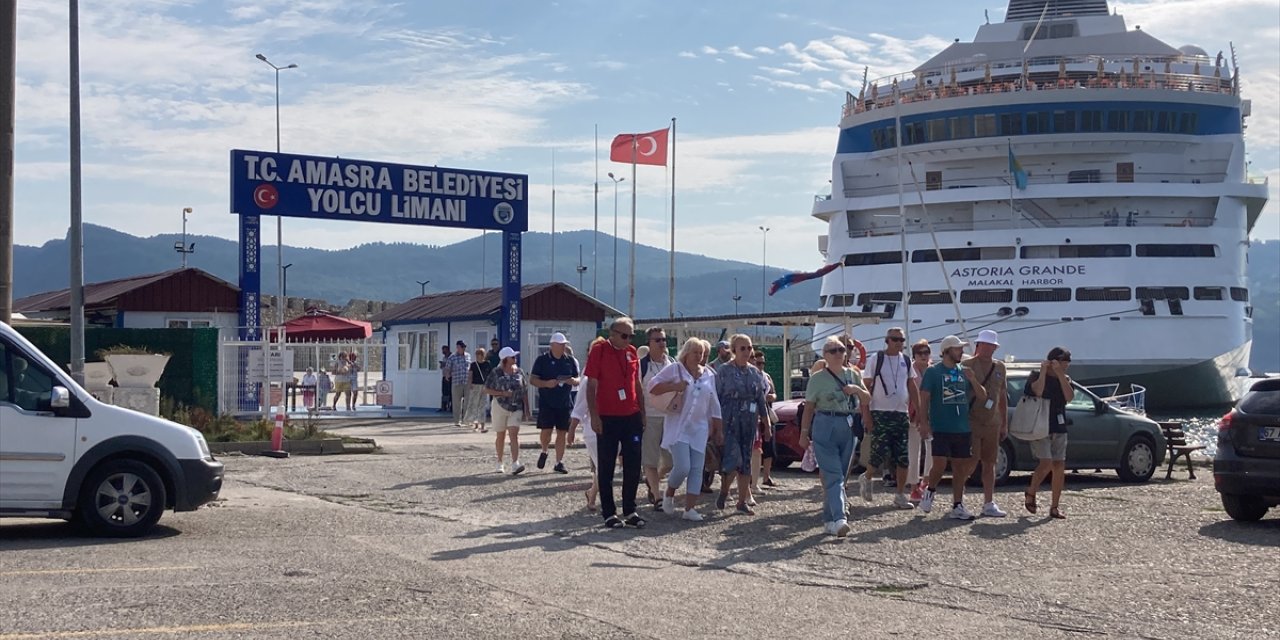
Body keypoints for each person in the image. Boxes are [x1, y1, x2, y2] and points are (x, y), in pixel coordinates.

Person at [798, 336, 871, 536]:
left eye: (841, 349)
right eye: (833, 350)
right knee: (834, 475)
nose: (839, 353)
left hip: (847, 425)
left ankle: (829, 519)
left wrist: (855, 389)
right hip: (825, 423)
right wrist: (804, 433)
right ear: (825, 355)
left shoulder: (853, 375)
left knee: (841, 475)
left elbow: (866, 398)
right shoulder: (817, 378)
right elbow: (809, 408)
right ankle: (840, 517)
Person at [647, 337, 722, 521]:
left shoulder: (708, 375)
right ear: (686, 353)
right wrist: (675, 386)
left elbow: (714, 403)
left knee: (697, 468)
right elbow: (652, 387)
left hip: (699, 428)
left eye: (702, 353)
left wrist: (718, 428)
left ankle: (690, 509)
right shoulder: (675, 369)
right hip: (678, 427)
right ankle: (669, 493)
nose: (699, 356)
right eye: (695, 352)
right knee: (683, 467)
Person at [585, 317, 648, 529]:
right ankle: (609, 513)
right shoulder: (600, 350)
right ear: (612, 334)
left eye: (631, 335)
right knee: (607, 465)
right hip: (608, 416)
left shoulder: (632, 353)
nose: (628, 339)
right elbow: (591, 385)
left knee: (633, 465)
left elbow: (637, 384)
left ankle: (630, 509)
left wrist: (643, 412)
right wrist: (594, 415)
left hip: (631, 416)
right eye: (624, 335)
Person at [918, 335, 988, 520]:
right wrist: (923, 422)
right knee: (939, 465)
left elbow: (982, 396)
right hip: (940, 426)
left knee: (960, 468)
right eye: (957, 349)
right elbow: (924, 398)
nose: (961, 351)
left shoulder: (964, 371)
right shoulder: (933, 372)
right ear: (947, 351)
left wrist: (973, 380)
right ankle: (929, 491)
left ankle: (958, 504)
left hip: (962, 428)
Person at [859, 328, 921, 510]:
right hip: (880, 412)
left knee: (903, 457)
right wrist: (867, 415)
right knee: (878, 453)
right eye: (895, 339)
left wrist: (920, 412)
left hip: (901, 414)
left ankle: (900, 494)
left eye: (901, 339)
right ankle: (867, 476)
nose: (899, 342)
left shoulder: (906, 361)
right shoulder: (876, 359)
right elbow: (866, 388)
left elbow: (912, 386)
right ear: (887, 340)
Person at [714, 334, 771, 516]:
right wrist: (716, 424)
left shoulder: (755, 373)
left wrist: (766, 423)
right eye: (742, 348)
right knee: (733, 459)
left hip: (749, 421)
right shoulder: (723, 371)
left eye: (749, 348)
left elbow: (761, 399)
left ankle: (741, 502)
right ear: (734, 350)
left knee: (746, 460)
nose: (747, 352)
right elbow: (715, 397)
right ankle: (724, 490)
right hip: (729, 419)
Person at [1024, 346, 1074, 520]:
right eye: (1062, 363)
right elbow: (1037, 391)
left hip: (1059, 425)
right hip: (1040, 425)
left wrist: (1061, 375)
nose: (1065, 366)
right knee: (1046, 463)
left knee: (1059, 466)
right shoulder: (1035, 376)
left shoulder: (1065, 378)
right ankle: (1031, 492)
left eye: (1066, 364)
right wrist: (1044, 371)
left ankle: (1054, 506)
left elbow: (1069, 397)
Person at [965, 330, 1010, 517]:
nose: (989, 348)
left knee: (990, 462)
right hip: (972, 420)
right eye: (986, 345)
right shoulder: (967, 365)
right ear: (978, 345)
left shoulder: (1000, 367)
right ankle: (959, 499)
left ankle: (989, 502)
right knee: (970, 461)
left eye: (992, 345)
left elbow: (1002, 398)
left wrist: (1004, 423)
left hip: (993, 421)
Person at [531, 332, 580, 474]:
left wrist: (573, 381)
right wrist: (546, 383)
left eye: (564, 344)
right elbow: (533, 380)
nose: (563, 347)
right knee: (546, 431)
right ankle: (544, 450)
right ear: (552, 345)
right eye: (560, 344)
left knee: (562, 432)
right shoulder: (542, 360)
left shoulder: (569, 360)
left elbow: (578, 378)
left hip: (564, 401)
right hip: (547, 401)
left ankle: (559, 462)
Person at [639, 327, 675, 508]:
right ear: (649, 343)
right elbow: (637, 391)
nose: (662, 343)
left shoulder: (672, 364)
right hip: (650, 417)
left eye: (663, 339)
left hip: (670, 418)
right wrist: (641, 415)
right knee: (650, 459)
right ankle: (657, 495)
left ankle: (653, 482)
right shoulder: (641, 365)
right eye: (657, 340)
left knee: (670, 462)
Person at [486, 346, 531, 475]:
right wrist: (502, 393)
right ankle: (500, 462)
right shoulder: (496, 372)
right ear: (505, 359)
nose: (515, 358)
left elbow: (524, 391)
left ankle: (515, 463)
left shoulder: (519, 372)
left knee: (514, 434)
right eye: (512, 356)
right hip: (499, 406)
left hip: (516, 407)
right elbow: (486, 389)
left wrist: (527, 409)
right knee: (501, 435)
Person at [908, 339, 935, 501]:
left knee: (932, 450)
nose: (924, 356)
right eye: (920, 353)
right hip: (913, 416)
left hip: (932, 416)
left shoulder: (933, 370)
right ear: (914, 355)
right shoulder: (910, 371)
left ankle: (926, 480)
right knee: (913, 452)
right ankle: (913, 486)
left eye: (926, 352)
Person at [751, 350, 780, 490]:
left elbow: (774, 393)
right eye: (758, 362)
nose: (761, 365)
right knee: (754, 449)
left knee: (768, 447)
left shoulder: (766, 377)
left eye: (763, 362)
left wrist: (771, 397)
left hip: (766, 413)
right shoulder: (749, 375)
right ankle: (750, 479)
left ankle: (766, 476)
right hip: (752, 415)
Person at [444, 341, 471, 425]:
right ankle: (457, 421)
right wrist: (447, 374)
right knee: (456, 402)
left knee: (467, 401)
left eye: (463, 347)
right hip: (456, 382)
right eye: (460, 347)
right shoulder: (452, 357)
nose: (462, 349)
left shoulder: (468, 356)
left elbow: (470, 368)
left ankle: (466, 420)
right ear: (457, 348)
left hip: (467, 381)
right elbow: (447, 367)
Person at [466, 348, 492, 432]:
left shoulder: (487, 364)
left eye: (480, 354)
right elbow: (470, 375)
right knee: (475, 405)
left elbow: (489, 375)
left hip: (484, 386)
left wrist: (489, 385)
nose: (478, 356)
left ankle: (483, 424)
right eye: (477, 354)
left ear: (483, 355)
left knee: (482, 405)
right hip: (475, 385)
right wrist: (470, 385)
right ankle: (475, 424)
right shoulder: (473, 364)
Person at [440, 345, 454, 414]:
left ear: (447, 350)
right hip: (444, 376)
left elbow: (452, 366)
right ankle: (444, 407)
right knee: (444, 392)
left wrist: (445, 364)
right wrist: (442, 365)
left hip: (450, 377)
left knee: (451, 392)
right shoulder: (444, 357)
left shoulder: (451, 357)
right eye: (442, 350)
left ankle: (451, 407)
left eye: (444, 350)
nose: (443, 352)